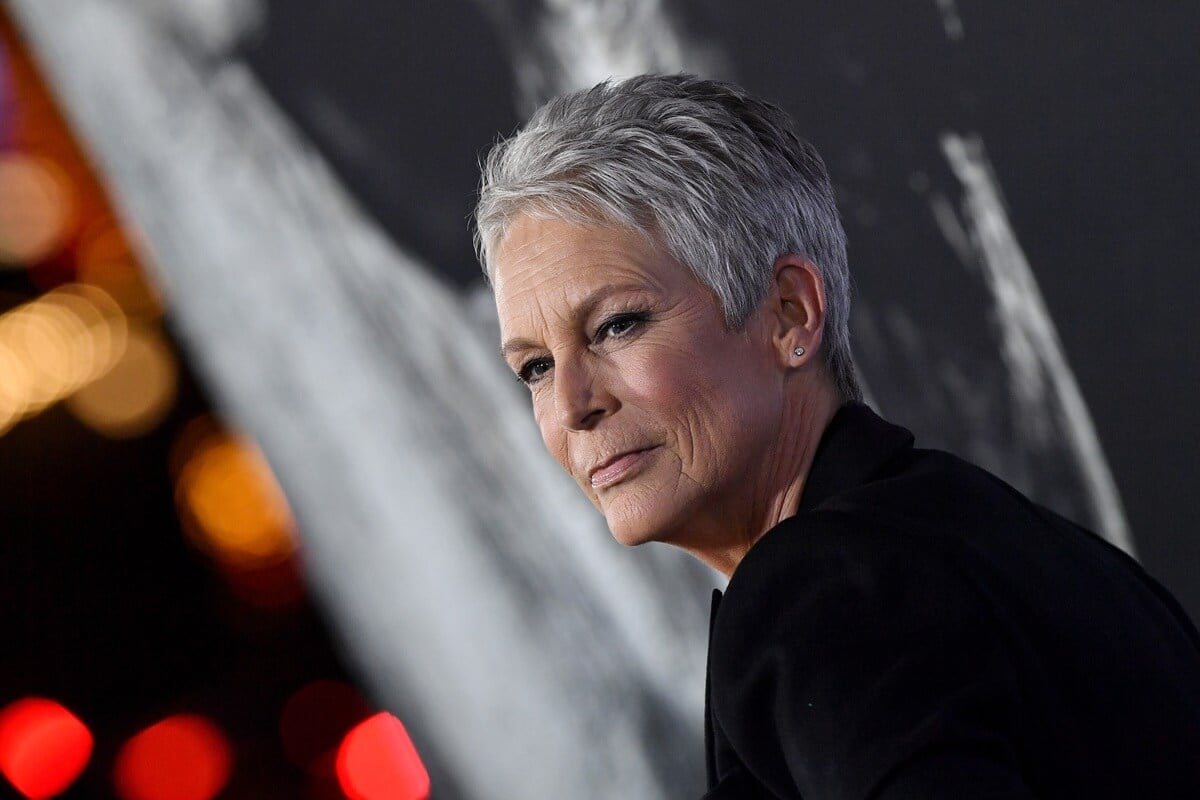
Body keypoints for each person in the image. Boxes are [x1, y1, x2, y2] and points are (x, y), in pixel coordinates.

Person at [472, 74, 1200, 798]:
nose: (571, 403)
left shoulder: (826, 592)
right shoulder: (1028, 553)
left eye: (617, 325)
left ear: (789, 314)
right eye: (534, 367)